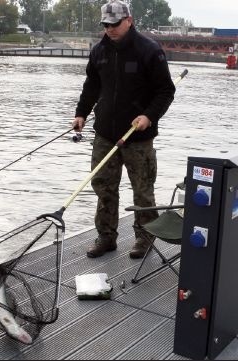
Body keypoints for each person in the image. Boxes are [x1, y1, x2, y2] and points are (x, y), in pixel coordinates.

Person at [72, 0, 176, 259]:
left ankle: (144, 238)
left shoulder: (149, 50)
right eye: (106, 25)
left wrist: (149, 116)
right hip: (105, 133)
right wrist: (81, 113)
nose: (110, 29)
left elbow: (166, 91)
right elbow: (91, 86)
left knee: (142, 190)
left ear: (129, 20)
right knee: (103, 186)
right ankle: (106, 237)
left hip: (137, 136)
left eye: (115, 24)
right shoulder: (99, 52)